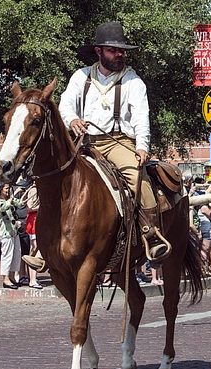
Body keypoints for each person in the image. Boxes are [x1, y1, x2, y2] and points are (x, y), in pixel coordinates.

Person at [58, 21, 170, 263]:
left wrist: (142, 146)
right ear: (99, 51)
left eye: (122, 50)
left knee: (137, 178)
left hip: (118, 142)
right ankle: (46, 245)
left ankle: (152, 235)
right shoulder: (81, 77)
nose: (119, 54)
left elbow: (141, 116)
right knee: (54, 179)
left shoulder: (132, 81)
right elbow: (64, 105)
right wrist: (73, 119)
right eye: (113, 50)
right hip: (84, 142)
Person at [0, 184, 23, 289]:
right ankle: (5, 279)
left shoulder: (9, 200)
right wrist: (14, 195)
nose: (8, 190)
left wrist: (24, 194)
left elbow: (20, 203)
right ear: (0, 190)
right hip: (6, 234)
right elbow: (4, 207)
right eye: (6, 188)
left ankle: (11, 277)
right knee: (7, 256)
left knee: (16, 255)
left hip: (14, 232)